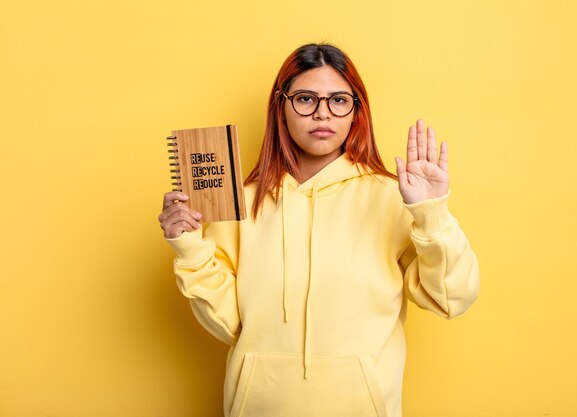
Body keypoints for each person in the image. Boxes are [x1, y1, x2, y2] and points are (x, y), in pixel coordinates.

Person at [158, 43, 479, 417]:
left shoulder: (394, 197)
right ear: (282, 107)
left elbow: (451, 298)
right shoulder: (242, 203)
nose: (323, 113)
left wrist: (432, 212)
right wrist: (189, 247)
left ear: (356, 111)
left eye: (339, 100)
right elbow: (228, 325)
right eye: (306, 99)